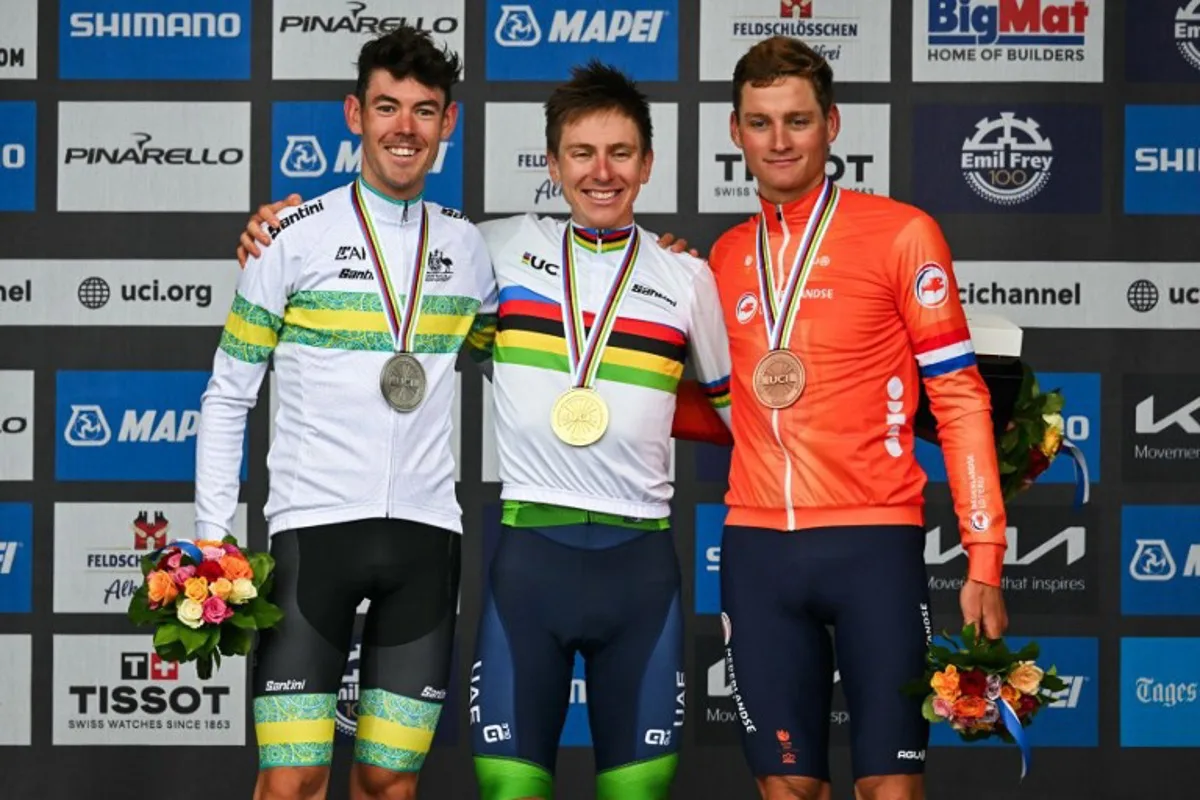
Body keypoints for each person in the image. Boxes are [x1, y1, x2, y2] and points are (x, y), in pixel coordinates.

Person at [233, 63, 732, 800]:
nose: (601, 172)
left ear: (648, 163)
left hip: (642, 565)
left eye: (621, 152)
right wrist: (271, 230)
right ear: (553, 164)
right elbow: (402, 265)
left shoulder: (688, 279)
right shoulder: (485, 250)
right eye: (581, 153)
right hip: (529, 559)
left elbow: (733, 415)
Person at [669, 36, 1011, 800]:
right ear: (735, 133)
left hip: (874, 547)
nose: (779, 141)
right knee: (788, 791)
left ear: (833, 124)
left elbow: (958, 396)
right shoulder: (718, 261)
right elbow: (734, 413)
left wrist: (983, 553)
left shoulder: (901, 233)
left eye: (797, 121)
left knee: (888, 790)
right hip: (757, 552)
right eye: (760, 123)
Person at [195, 26, 496, 800]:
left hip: (428, 542)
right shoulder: (287, 237)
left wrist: (657, 253)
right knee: (291, 780)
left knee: (389, 782)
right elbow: (229, 393)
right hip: (310, 540)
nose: (406, 128)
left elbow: (527, 350)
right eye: (388, 107)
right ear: (354, 113)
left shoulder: (470, 250)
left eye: (425, 111)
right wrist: (209, 539)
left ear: (448, 124)